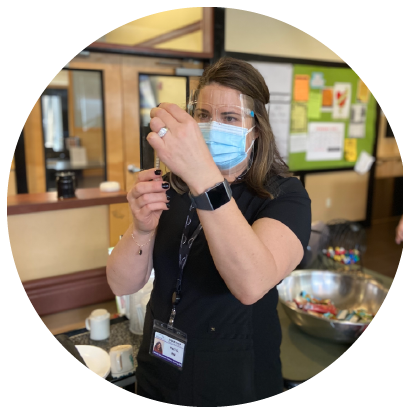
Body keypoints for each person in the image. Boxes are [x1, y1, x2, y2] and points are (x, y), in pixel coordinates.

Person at [106, 57, 311, 406]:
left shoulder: (284, 195)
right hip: (160, 365)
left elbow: (250, 284)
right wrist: (141, 228)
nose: (212, 127)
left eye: (230, 118)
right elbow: (121, 285)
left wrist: (203, 176)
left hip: (234, 375)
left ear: (256, 129)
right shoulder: (172, 186)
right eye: (202, 115)